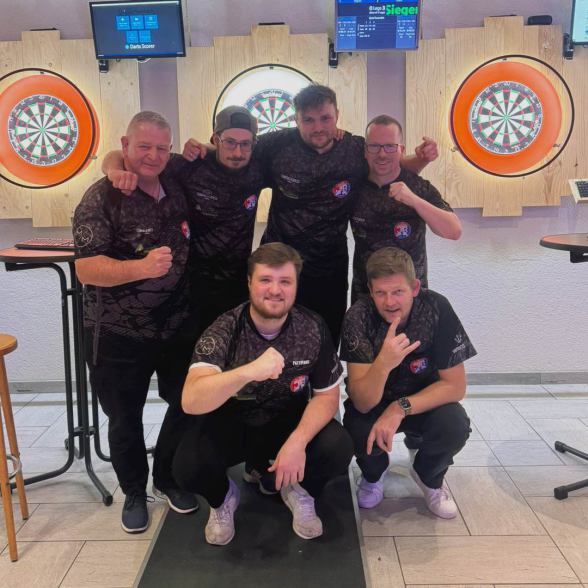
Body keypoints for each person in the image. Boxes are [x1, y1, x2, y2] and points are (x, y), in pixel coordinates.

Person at [184, 84, 438, 346]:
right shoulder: (277, 144)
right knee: (270, 341)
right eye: (309, 120)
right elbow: (238, 149)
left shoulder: (353, 148)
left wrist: (421, 159)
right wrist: (203, 147)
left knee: (326, 341)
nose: (318, 127)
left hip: (329, 267)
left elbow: (388, 164)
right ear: (296, 119)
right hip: (279, 264)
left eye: (325, 118)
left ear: (337, 115)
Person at [172, 242, 353, 545]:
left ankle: (298, 490)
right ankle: (223, 499)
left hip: (286, 423)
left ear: (296, 286)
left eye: (285, 281)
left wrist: (298, 442)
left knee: (338, 446)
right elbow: (191, 400)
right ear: (249, 283)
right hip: (235, 425)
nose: (275, 290)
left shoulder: (312, 327)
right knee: (188, 465)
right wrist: (248, 371)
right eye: (265, 280)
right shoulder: (225, 328)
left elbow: (327, 396)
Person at [73, 111, 199, 533]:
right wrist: (140, 268)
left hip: (176, 324)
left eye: (162, 148)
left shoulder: (175, 180)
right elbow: (86, 269)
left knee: (187, 403)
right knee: (125, 416)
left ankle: (166, 478)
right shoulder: (101, 197)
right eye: (143, 146)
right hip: (117, 331)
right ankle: (133, 491)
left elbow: (210, 150)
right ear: (125, 145)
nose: (153, 156)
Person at [103, 106, 265, 334]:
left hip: (237, 284)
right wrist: (114, 172)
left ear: (253, 144)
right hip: (190, 288)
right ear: (216, 139)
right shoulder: (191, 164)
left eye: (245, 144)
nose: (237, 152)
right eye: (229, 142)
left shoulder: (258, 167)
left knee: (233, 349)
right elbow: (121, 155)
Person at [340, 247, 475, 518]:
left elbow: (455, 387)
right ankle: (373, 475)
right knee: (356, 427)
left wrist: (399, 407)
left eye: (398, 292)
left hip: (422, 400)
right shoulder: (358, 316)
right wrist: (383, 363)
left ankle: (428, 476)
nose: (389, 302)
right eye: (381, 293)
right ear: (370, 291)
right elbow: (363, 402)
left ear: (414, 288)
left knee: (455, 425)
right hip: (376, 403)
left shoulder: (436, 308)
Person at [350, 115, 462, 302]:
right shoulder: (355, 186)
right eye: (375, 146)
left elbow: (454, 231)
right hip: (366, 297)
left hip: (411, 298)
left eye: (390, 146)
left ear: (401, 150)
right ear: (365, 151)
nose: (382, 154)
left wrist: (414, 201)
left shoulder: (418, 187)